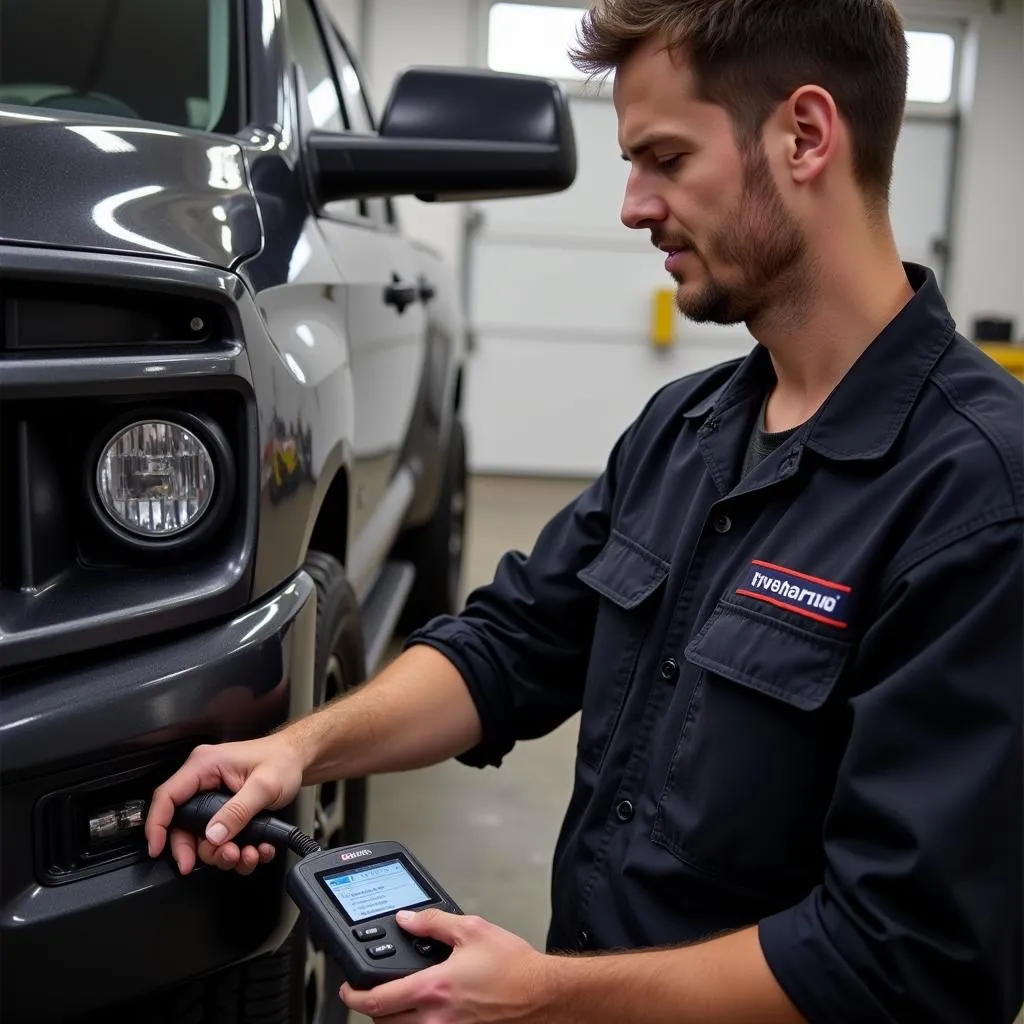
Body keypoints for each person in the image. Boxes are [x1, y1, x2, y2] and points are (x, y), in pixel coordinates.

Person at [146, 1, 1024, 1020]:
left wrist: (546, 996)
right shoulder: (686, 427)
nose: (631, 205)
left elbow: (905, 957)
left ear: (804, 135)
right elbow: (513, 642)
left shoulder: (976, 497)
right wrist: (298, 748)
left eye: (662, 157)